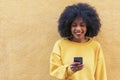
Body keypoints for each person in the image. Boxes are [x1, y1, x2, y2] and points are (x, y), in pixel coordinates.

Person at [50, 3, 107, 80]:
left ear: (88, 27)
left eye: (82, 25)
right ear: (68, 27)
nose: (78, 29)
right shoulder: (60, 45)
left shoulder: (95, 46)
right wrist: (70, 69)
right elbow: (54, 70)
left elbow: (101, 75)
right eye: (74, 25)